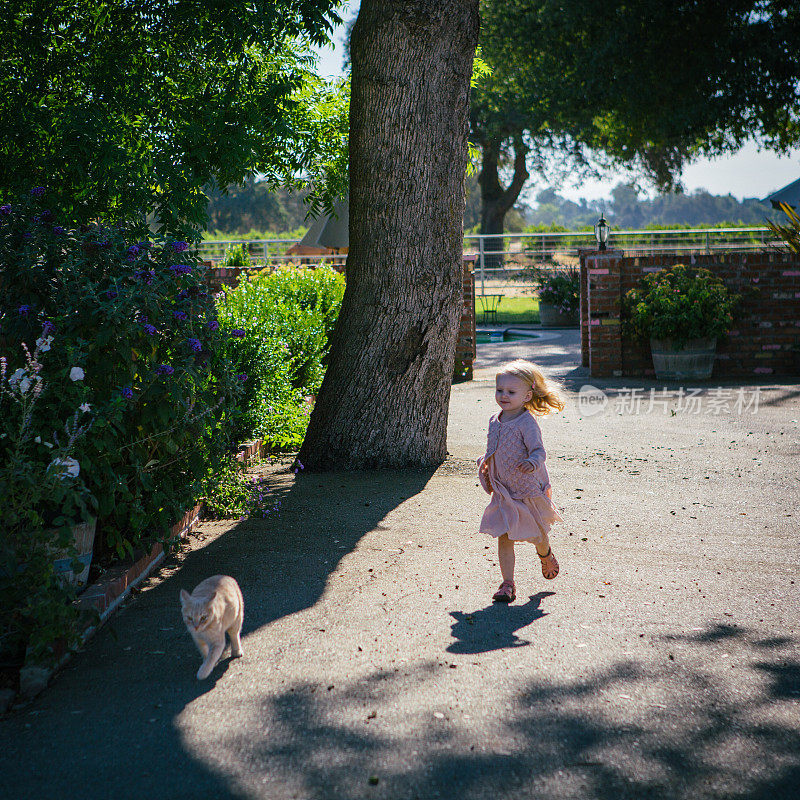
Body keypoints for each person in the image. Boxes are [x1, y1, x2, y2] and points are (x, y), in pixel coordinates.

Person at [477, 359, 566, 603]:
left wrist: (532, 462)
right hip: (504, 491)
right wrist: (486, 463)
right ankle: (508, 584)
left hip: (526, 488)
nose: (503, 396)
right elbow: (493, 448)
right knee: (505, 537)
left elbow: (539, 451)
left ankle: (545, 553)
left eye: (511, 392)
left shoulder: (527, 422)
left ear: (527, 396)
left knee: (537, 534)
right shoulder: (494, 420)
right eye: (499, 390)